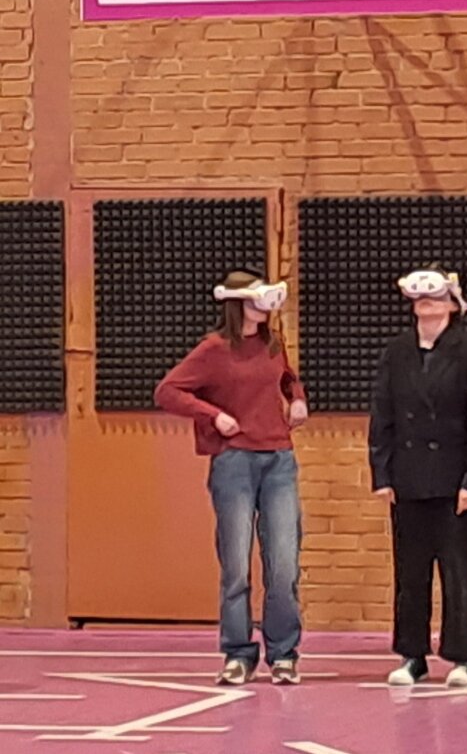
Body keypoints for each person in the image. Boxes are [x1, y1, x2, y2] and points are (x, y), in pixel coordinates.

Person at [154, 270, 307, 686]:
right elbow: (168, 391)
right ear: (238, 303)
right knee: (236, 565)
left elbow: (287, 377)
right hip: (235, 462)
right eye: (257, 299)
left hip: (278, 460)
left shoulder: (274, 343)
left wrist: (296, 399)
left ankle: (284, 654)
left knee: (284, 564)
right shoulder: (214, 349)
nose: (265, 307)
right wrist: (213, 415)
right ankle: (238, 652)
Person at [369, 266, 467, 688]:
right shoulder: (396, 351)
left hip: (454, 480)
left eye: (436, 298)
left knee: (458, 572)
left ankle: (463, 657)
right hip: (408, 479)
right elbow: (382, 413)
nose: (426, 304)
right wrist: (382, 473)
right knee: (410, 573)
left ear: (452, 305)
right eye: (420, 299)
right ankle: (412, 655)